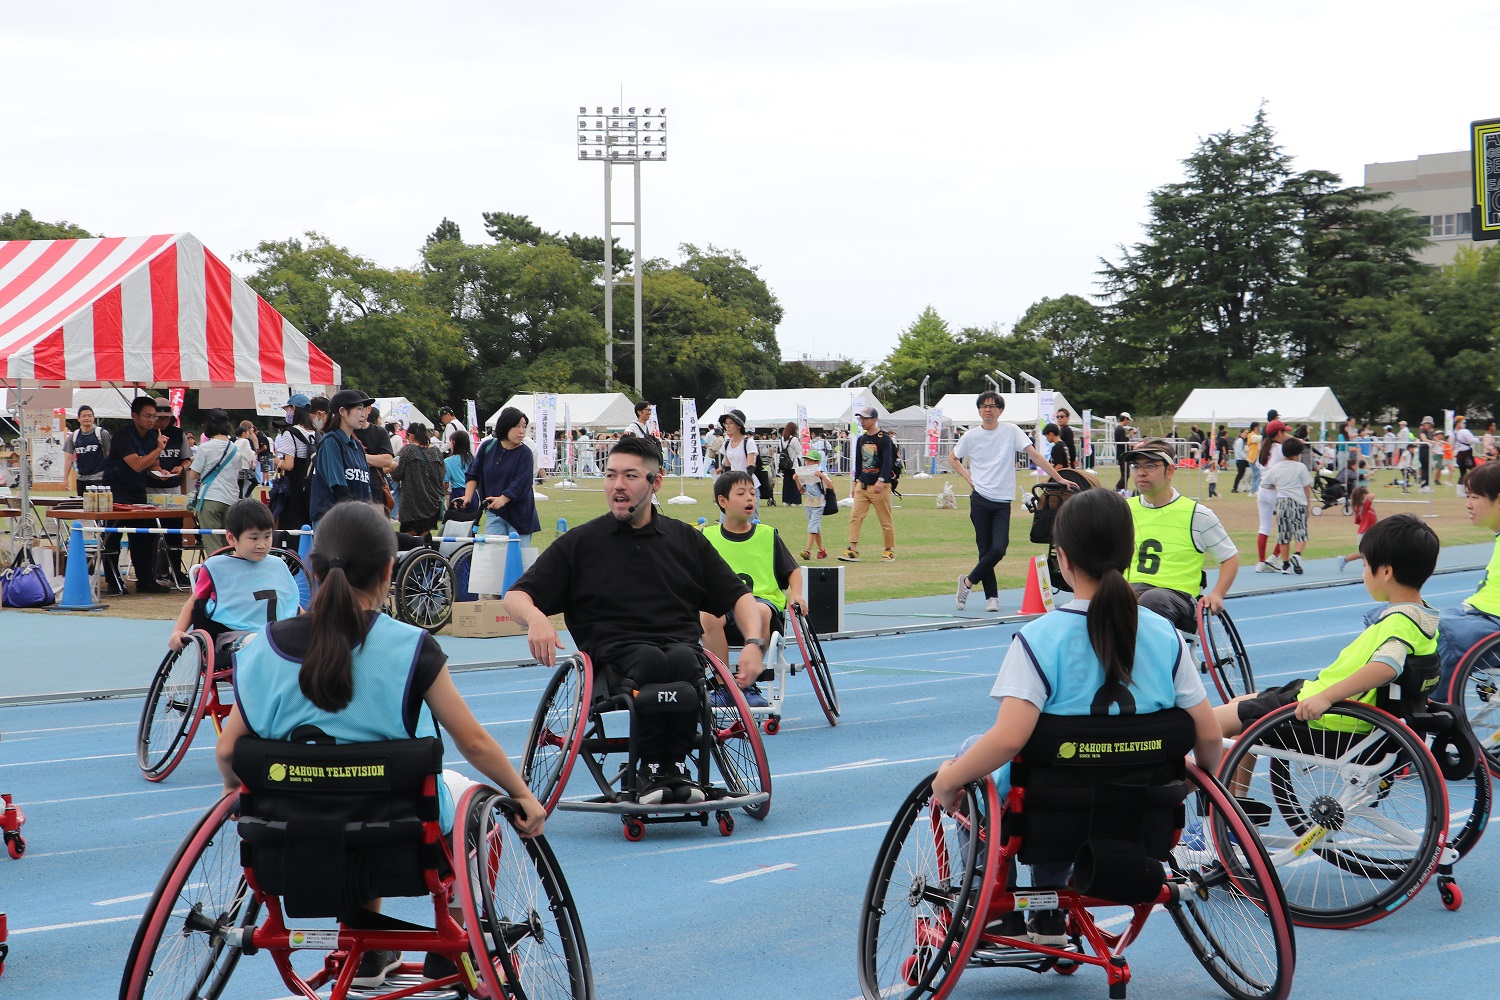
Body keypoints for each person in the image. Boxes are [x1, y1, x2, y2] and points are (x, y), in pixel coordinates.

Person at [214, 500, 544, 988]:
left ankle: (368, 953)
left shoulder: (259, 647)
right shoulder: (409, 646)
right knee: (479, 811)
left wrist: (234, 793)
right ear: (390, 569)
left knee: (344, 806)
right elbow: (472, 741)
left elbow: (226, 753)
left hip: (288, 830)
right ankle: (454, 947)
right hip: (402, 828)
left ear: (312, 566)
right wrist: (524, 796)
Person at [931, 488, 1222, 943]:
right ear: (1128, 555)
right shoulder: (1165, 635)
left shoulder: (1040, 637)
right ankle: (1049, 909)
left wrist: (948, 780)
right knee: (1062, 778)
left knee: (982, 759)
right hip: (1142, 808)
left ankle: (997, 907)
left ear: (1062, 559)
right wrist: (1185, 784)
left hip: (1051, 816)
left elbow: (1008, 740)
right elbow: (1206, 734)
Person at [503, 435, 766, 805]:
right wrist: (535, 618)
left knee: (681, 659)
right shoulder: (582, 543)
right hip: (615, 659)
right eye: (610, 476)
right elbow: (515, 595)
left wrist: (754, 643)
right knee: (652, 660)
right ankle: (654, 769)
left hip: (681, 653)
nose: (617, 486)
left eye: (630, 476)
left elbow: (739, 597)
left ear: (655, 483)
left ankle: (670, 768)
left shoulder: (686, 540)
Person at [1215, 514, 1439, 738]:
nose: (1363, 573)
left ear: (1386, 572)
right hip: (1321, 697)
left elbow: (1386, 667)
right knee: (1238, 706)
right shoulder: (1423, 619)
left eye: (1365, 565)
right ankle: (1230, 773)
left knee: (1215, 723)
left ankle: (1209, 772)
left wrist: (1326, 698)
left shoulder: (1399, 623)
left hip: (1332, 714)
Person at [948, 391, 1075, 611]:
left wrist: (1060, 478)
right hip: (979, 498)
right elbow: (952, 458)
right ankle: (992, 598)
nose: (988, 409)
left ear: (1000, 410)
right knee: (984, 548)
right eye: (984, 406)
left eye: (993, 406)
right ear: (979, 410)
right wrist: (968, 477)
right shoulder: (971, 436)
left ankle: (967, 582)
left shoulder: (1011, 431)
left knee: (999, 549)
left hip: (1001, 500)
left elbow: (1035, 456)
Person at [699, 471, 806, 708]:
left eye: (752, 493)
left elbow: (793, 571)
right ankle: (723, 684)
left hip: (763, 605)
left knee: (758, 610)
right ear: (722, 501)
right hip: (723, 606)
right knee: (706, 615)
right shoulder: (707, 537)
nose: (750, 498)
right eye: (741, 493)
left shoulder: (767, 535)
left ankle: (748, 684)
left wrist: (797, 594)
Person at [1119, 438, 1240, 628]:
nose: (1141, 472)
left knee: (1151, 601)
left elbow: (1229, 557)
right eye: (1136, 466)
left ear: (1170, 470)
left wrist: (1217, 593)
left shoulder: (1197, 514)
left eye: (1150, 465)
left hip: (1176, 595)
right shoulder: (1122, 510)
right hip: (1130, 591)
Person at [167, 499, 300, 649]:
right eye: (254, 538)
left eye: (267, 536)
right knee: (257, 642)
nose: (262, 545)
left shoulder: (278, 565)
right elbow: (195, 603)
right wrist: (178, 631)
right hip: (230, 636)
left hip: (276, 634)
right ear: (231, 538)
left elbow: (290, 602)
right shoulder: (215, 567)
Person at [1437, 462, 1500, 686]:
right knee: (1400, 619)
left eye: (1474, 497)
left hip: (1493, 628)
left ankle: (1434, 715)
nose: (1468, 505)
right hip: (1479, 616)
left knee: (1441, 634)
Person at [101, 397, 170, 595]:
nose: (152, 420)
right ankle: (114, 581)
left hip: (138, 490)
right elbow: (137, 464)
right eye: (148, 416)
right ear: (134, 416)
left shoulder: (151, 436)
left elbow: (150, 465)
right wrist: (158, 449)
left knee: (143, 536)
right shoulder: (123, 436)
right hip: (116, 490)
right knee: (113, 536)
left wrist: (160, 471)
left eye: (154, 416)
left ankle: (145, 580)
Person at [459, 407, 540, 552]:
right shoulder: (487, 447)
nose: (522, 431)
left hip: (520, 514)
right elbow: (473, 473)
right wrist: (467, 497)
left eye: (524, 426)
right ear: (505, 426)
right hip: (494, 512)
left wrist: (503, 498)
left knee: (517, 559)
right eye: (517, 426)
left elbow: (522, 482)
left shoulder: (525, 453)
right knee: (494, 557)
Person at [308, 388, 376, 530]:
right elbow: (338, 488)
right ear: (343, 412)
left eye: (364, 409)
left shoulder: (357, 446)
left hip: (354, 519)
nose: (363, 414)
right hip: (332, 519)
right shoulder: (331, 442)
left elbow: (366, 490)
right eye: (359, 409)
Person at [186, 409, 251, 556]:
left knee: (212, 545)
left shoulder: (205, 447)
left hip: (210, 497)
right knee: (229, 544)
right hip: (232, 500)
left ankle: (214, 576)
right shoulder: (235, 448)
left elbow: (193, 474)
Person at [839, 406, 898, 563]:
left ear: (874, 419)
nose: (862, 421)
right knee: (855, 517)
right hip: (863, 485)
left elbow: (887, 461)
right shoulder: (862, 439)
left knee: (885, 519)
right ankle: (853, 549)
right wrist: (855, 482)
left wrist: (882, 480)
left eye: (865, 418)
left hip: (880, 486)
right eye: (860, 418)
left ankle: (888, 550)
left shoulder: (884, 438)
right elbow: (859, 463)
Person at [1263, 436, 1313, 574]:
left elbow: (1265, 483)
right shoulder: (1300, 467)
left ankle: (1285, 565)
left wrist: (1278, 486)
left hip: (1281, 502)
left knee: (1283, 534)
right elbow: (1306, 487)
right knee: (1300, 532)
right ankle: (1297, 555)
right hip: (1298, 501)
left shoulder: (1276, 467)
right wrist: (1308, 505)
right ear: (1298, 453)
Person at [271, 394, 316, 535]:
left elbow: (289, 465)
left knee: (292, 528)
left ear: (294, 408)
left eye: (288, 409)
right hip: (312, 486)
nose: (287, 413)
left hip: (294, 487)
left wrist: (277, 460)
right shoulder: (316, 433)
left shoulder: (290, 433)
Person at [391, 423, 446, 536]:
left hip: (412, 504)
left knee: (409, 541)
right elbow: (442, 474)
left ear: (410, 435)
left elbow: (396, 475)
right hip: (432, 503)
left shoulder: (408, 450)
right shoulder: (436, 451)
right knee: (424, 540)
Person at [1252, 420, 1290, 571]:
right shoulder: (1281, 449)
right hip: (1276, 490)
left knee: (1264, 527)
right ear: (1279, 433)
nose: (1286, 434)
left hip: (1262, 490)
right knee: (1286, 526)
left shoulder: (1264, 448)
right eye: (1284, 432)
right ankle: (1274, 557)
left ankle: (1261, 562)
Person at [355, 406, 397, 514]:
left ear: (368, 409)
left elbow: (387, 461)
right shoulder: (345, 433)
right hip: (352, 494)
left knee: (377, 528)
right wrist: (375, 459)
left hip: (376, 492)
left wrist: (358, 456)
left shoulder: (380, 432)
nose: (360, 413)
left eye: (361, 408)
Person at [62, 403, 110, 495]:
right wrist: (65, 479)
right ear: (78, 419)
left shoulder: (101, 433)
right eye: (84, 416)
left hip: (99, 478)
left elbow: (109, 455)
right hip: (81, 479)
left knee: (98, 506)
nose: (87, 418)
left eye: (89, 416)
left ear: (93, 418)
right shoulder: (74, 436)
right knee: (82, 506)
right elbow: (68, 459)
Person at [797, 448, 835, 560]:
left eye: (810, 461)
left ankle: (807, 551)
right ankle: (821, 551)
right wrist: (796, 480)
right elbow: (802, 491)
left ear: (817, 462)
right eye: (806, 460)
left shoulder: (821, 474)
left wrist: (821, 476)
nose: (807, 463)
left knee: (812, 527)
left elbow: (831, 486)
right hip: (808, 503)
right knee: (815, 529)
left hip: (819, 503)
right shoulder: (805, 474)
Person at [1338, 486, 1377, 571]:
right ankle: (1346, 560)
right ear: (1363, 496)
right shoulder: (1365, 505)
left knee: (1367, 552)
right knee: (1363, 553)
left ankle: (1345, 560)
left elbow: (1358, 521)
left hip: (1370, 532)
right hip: (1364, 533)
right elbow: (1371, 496)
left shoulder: (1361, 507)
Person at [718, 409, 757, 473]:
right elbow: (727, 466)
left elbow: (750, 467)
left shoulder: (748, 442)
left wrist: (744, 481)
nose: (727, 426)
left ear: (739, 425)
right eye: (726, 423)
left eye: (731, 423)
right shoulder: (726, 443)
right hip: (733, 480)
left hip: (748, 480)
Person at [442, 428, 473, 505]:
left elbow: (446, 485)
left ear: (454, 443)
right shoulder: (473, 459)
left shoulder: (448, 461)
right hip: (472, 495)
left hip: (457, 495)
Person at [778, 421, 803, 506]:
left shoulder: (782, 439)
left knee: (786, 483)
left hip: (785, 464)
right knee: (795, 483)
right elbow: (799, 450)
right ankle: (795, 501)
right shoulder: (794, 439)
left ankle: (786, 500)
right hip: (793, 464)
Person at [1112, 412, 1133, 490]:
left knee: (1124, 473)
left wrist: (1129, 437)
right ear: (1125, 419)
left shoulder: (1118, 428)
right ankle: (1118, 488)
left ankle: (1123, 490)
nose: (1128, 422)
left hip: (1120, 454)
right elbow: (1122, 443)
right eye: (1128, 420)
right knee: (1126, 474)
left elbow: (1121, 440)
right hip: (1123, 454)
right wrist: (1130, 445)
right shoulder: (1121, 429)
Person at [1245, 421, 1263, 492]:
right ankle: (1254, 489)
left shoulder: (1256, 435)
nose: (1260, 428)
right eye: (1259, 426)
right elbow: (1259, 438)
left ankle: (1254, 489)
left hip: (1257, 457)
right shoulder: (1251, 435)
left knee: (1257, 474)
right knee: (1257, 473)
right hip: (1252, 457)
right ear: (1255, 427)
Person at [1231, 428, 1249, 493]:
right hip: (1240, 460)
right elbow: (1239, 451)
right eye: (1245, 433)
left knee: (1243, 474)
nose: (1246, 434)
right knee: (1240, 474)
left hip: (1242, 459)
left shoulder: (1241, 440)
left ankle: (1242, 487)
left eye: (1247, 433)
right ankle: (1235, 488)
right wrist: (1246, 457)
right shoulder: (1240, 440)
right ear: (1241, 433)